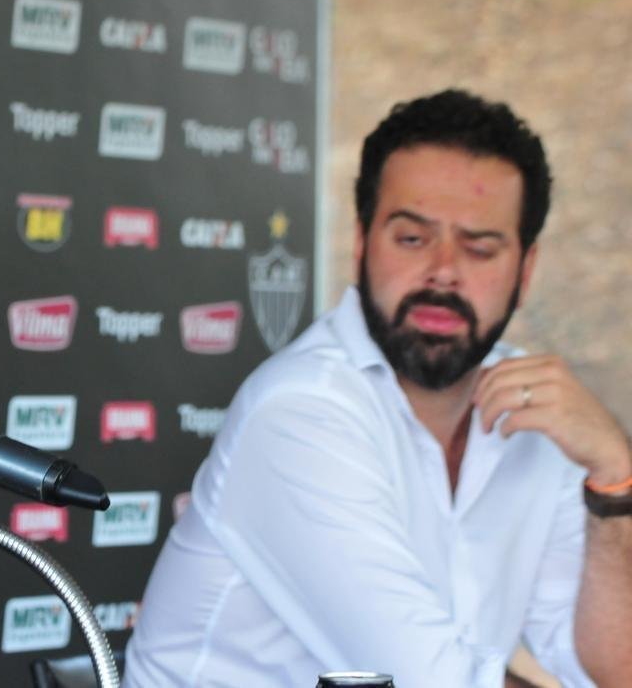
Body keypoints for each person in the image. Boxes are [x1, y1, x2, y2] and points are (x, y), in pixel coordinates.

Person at [124, 89, 632, 687]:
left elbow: (611, 670)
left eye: (480, 247)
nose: (444, 270)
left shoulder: (538, 409)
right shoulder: (301, 410)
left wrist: (614, 477)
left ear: (526, 270)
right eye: (412, 239)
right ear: (362, 243)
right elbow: (433, 682)